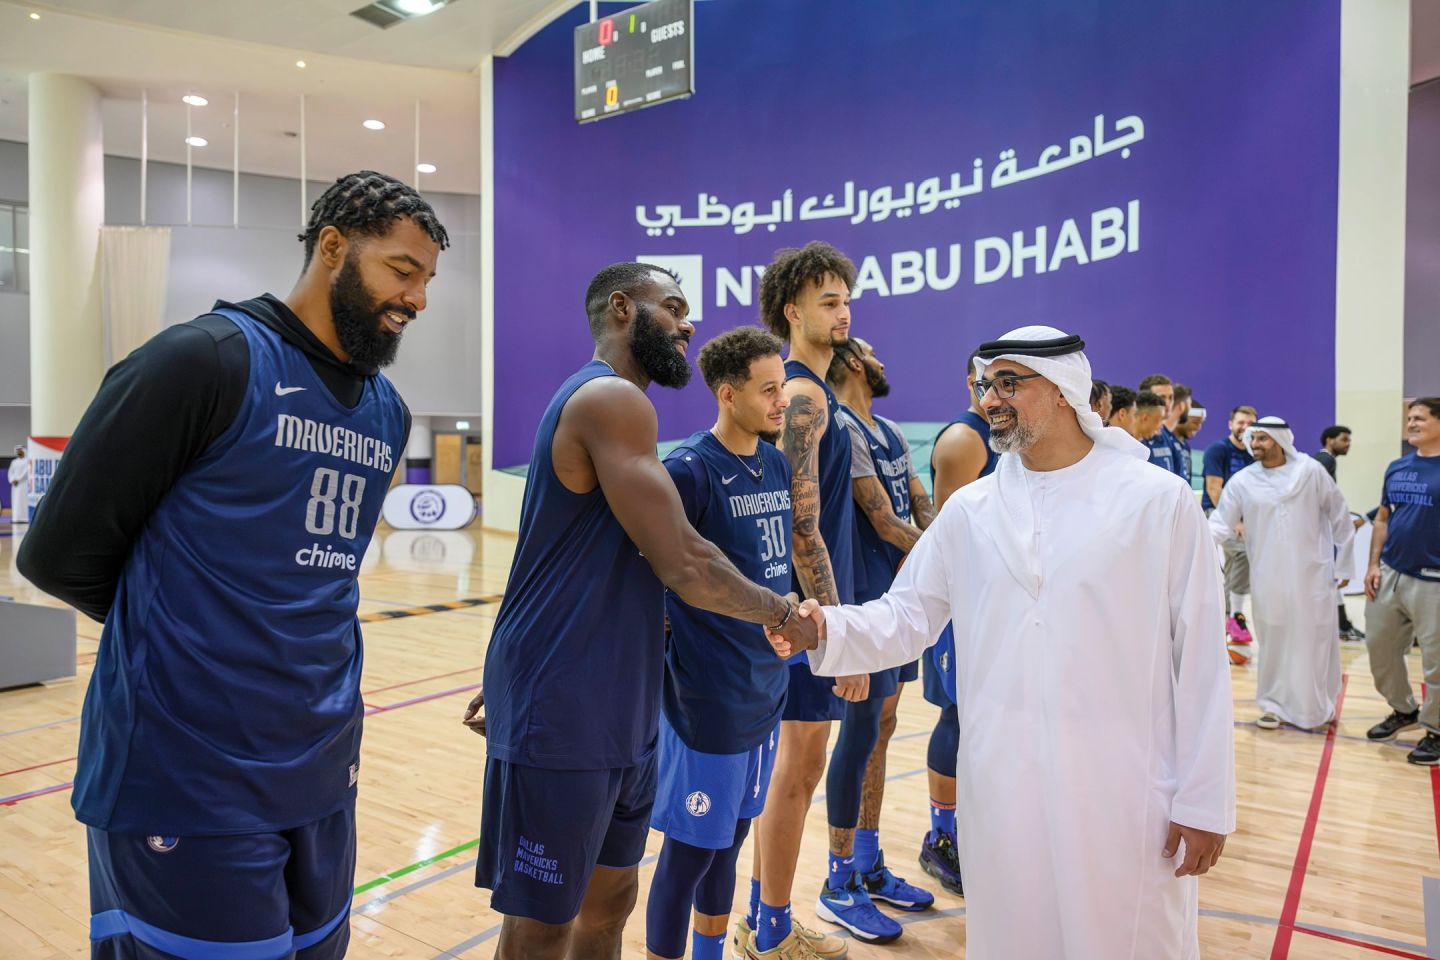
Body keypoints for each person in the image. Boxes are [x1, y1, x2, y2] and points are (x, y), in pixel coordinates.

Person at [16, 171, 449, 958]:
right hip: (184, 775)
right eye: (402, 270)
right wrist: (191, 630)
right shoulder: (202, 361)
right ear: (332, 248)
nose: (417, 299)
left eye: (426, 280)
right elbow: (58, 555)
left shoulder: (386, 412)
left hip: (319, 772)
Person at [772, 326, 1235, 960]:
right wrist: (825, 627)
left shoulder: (1158, 502)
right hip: (1001, 790)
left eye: (1010, 383)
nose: (992, 398)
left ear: (1066, 390)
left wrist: (1206, 800)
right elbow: (907, 615)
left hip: (1124, 791)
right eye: (987, 385)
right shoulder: (973, 510)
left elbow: (1204, 661)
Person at [463, 262, 816, 960]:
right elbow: (686, 561)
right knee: (543, 924)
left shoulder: (623, 414)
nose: (689, 324)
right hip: (566, 702)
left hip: (622, 695)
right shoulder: (609, 400)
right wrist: (782, 612)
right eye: (674, 307)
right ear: (622, 309)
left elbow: (560, 555)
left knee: (610, 903)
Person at [645, 327, 794, 960]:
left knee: (732, 839)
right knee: (691, 852)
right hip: (706, 700)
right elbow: (652, 585)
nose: (781, 401)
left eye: (782, 387)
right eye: (769, 390)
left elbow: (778, 565)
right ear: (728, 395)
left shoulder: (776, 461)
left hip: (765, 687)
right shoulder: (688, 471)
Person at [738, 241, 861, 960]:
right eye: (827, 301)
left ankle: (767, 915)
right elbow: (802, 523)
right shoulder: (805, 395)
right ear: (792, 311)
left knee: (799, 766)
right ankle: (771, 929)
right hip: (808, 616)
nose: (843, 312)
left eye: (846, 300)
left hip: (810, 613)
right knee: (798, 767)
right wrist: (835, 630)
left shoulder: (816, 390)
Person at [818, 336, 937, 940]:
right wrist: (950, 560)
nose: (885, 359)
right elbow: (884, 521)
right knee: (861, 730)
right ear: (856, 363)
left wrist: (942, 540)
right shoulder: (842, 426)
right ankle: (837, 881)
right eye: (872, 351)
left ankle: (866, 862)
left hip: (895, 600)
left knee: (883, 730)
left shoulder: (887, 428)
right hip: (861, 601)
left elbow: (916, 504)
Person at [1208, 417, 1355, 730]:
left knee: (1310, 640)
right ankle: (1273, 705)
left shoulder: (1310, 472)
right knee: (1273, 641)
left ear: (1280, 440)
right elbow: (1220, 523)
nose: (1256, 445)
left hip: (1312, 576)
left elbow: (1340, 516)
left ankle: (1313, 708)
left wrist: (1344, 565)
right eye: (1253, 439)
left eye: (1262, 439)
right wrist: (1192, 542)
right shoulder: (1244, 480)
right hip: (1268, 578)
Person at [920, 344, 1000, 896]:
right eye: (992, 380)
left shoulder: (1003, 436)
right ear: (972, 382)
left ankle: (980, 830)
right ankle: (941, 838)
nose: (1000, 390)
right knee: (957, 713)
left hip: (999, 603)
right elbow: (950, 538)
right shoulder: (964, 438)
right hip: (962, 606)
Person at [1363, 398, 1440, 765]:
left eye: (1419, 418)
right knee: (1380, 648)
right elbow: (1382, 518)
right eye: (1409, 417)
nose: (1411, 423)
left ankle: (1437, 729)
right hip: (1392, 573)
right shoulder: (1397, 467)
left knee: (1436, 662)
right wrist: (1373, 564)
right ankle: (1403, 709)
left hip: (1434, 581)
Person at [1203, 405, 1259, 646]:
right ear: (1230, 424)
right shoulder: (1218, 450)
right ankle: (1235, 615)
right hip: (1219, 514)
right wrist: (1234, 520)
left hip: (1244, 520)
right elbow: (1214, 488)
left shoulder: (1253, 453)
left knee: (1236, 565)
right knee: (1243, 554)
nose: (1244, 427)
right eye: (1240, 422)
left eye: (1249, 423)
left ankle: (1224, 619)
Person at [1139, 374, 1178, 472]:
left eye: (1171, 397)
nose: (1168, 403)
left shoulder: (1167, 436)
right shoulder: (1138, 436)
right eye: (1162, 397)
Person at [6, 444, 27, 523]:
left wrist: (18, 479)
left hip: (24, 484)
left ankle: (25, 518)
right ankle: (16, 518)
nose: (18, 452)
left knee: (24, 500)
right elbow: (10, 472)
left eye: (20, 450)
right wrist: (12, 480)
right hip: (15, 486)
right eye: (17, 450)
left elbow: (26, 472)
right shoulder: (14, 462)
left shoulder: (27, 461)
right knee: (16, 501)